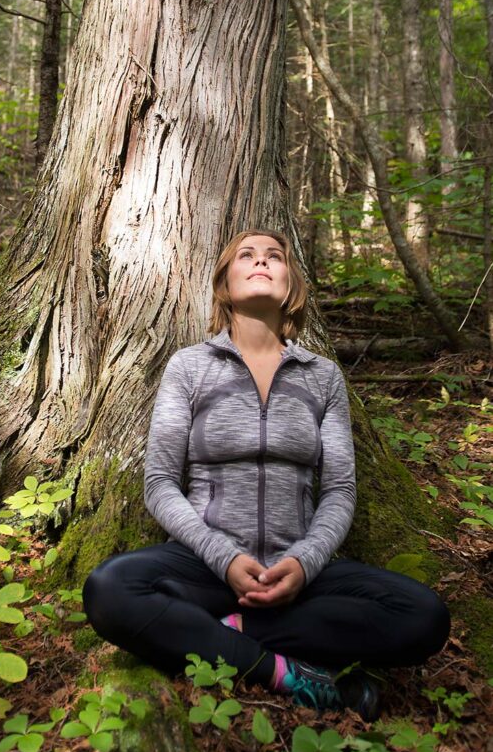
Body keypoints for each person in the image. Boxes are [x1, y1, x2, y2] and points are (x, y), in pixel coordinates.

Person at [82, 229, 450, 718]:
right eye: (246, 256)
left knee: (425, 616)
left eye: (274, 256)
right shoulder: (189, 367)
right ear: (224, 282)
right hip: (207, 569)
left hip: (299, 575)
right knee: (110, 589)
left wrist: (303, 563)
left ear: (291, 283)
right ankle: (283, 672)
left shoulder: (322, 376)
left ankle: (219, 634)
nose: (261, 262)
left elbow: (339, 490)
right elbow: (160, 484)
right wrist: (223, 557)